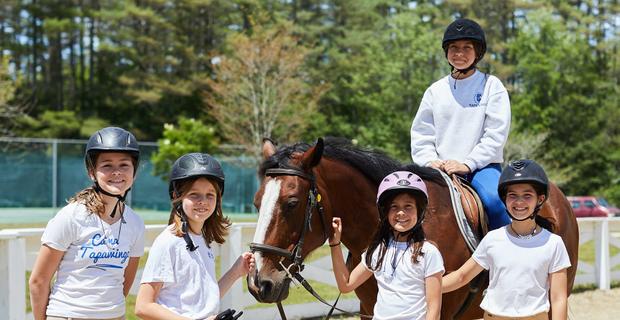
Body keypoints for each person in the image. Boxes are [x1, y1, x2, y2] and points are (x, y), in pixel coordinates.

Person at [29, 127, 146, 320]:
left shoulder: (135, 223)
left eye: (124, 165)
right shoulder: (72, 216)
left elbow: (124, 281)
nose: (116, 172)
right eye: (107, 165)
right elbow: (38, 281)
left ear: (134, 171)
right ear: (92, 171)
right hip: (68, 315)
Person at [410, 18, 512, 230]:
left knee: (495, 203)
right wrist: (430, 161)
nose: (459, 53)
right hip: (438, 169)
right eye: (454, 48)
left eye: (467, 47)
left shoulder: (492, 86)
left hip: (481, 168)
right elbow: (422, 133)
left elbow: (495, 134)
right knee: (401, 200)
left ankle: (508, 256)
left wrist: (467, 164)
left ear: (478, 52)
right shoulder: (435, 91)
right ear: (446, 52)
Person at [442, 160, 570, 320]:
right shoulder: (492, 239)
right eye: (513, 195)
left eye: (527, 195)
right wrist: (423, 287)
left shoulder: (553, 243)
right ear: (505, 199)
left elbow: (558, 298)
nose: (519, 202)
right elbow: (462, 276)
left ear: (540, 199)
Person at [135, 153, 255, 320]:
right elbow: (144, 306)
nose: (203, 201)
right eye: (194, 195)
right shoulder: (168, 242)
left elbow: (203, 301)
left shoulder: (202, 239)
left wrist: (235, 272)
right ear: (178, 196)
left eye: (210, 195)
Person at [329, 171, 444, 320]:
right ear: (385, 212)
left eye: (408, 206)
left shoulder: (428, 252)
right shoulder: (378, 250)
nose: (401, 212)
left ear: (419, 211)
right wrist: (335, 244)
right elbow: (346, 285)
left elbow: (433, 309)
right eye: (394, 207)